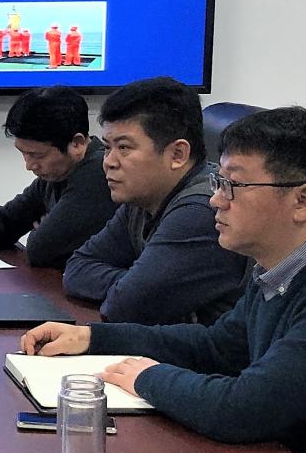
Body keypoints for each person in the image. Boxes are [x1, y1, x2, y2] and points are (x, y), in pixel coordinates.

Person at [21, 106, 306, 453]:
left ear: (302, 201)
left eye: (233, 186)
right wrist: (94, 338)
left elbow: (243, 409)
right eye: (218, 182)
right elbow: (219, 347)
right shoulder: (285, 262)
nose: (215, 201)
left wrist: (147, 377)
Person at [62, 77, 247, 324]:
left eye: (124, 148)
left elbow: (125, 306)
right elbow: (78, 267)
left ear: (178, 154)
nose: (109, 162)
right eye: (107, 147)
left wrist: (137, 287)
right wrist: (134, 282)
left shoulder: (202, 210)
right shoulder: (142, 198)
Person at [0, 85, 113, 270]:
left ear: (77, 144)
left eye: (37, 155)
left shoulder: (99, 173)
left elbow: (41, 249)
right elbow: (7, 218)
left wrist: (42, 231)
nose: (29, 166)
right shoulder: (56, 175)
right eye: (23, 153)